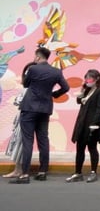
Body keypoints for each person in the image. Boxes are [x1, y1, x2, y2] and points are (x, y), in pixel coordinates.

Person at [10, 47, 69, 184]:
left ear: (37, 57)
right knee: (43, 140)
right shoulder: (56, 71)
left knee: (28, 141)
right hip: (45, 108)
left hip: (30, 107)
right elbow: (66, 87)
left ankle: (24, 174)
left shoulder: (33, 69)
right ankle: (42, 172)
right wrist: (54, 95)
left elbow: (26, 84)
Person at [66, 69, 100, 183]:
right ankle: (78, 173)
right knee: (80, 148)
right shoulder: (87, 89)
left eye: (89, 78)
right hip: (82, 122)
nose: (87, 80)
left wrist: (94, 124)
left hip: (93, 124)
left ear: (97, 79)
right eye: (86, 78)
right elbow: (79, 101)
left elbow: (99, 110)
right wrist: (82, 92)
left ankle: (93, 172)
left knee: (92, 148)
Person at [2, 64, 30, 179]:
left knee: (20, 143)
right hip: (22, 117)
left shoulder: (27, 89)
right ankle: (18, 169)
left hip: (25, 117)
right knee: (18, 143)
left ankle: (19, 170)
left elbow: (18, 102)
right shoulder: (26, 89)